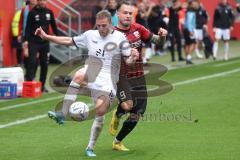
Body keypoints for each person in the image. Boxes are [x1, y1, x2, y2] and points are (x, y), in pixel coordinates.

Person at [36, 10, 139, 157]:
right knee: (78, 75)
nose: (101, 29)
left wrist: (133, 58)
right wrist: (46, 37)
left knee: (100, 112)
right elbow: (68, 41)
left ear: (111, 23)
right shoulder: (90, 35)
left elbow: (128, 61)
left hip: (108, 80)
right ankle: (63, 114)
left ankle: (90, 147)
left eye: (104, 26)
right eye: (98, 26)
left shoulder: (120, 38)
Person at [108, 0, 167, 151]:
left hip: (139, 76)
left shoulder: (138, 29)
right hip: (121, 77)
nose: (128, 16)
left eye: (130, 13)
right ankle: (120, 111)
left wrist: (162, 36)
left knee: (138, 113)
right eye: (124, 13)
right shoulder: (111, 34)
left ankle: (117, 141)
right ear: (117, 14)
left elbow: (158, 42)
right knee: (128, 105)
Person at [24, 0, 58, 92]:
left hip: (45, 42)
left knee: (44, 64)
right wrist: (26, 41)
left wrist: (58, 37)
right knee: (32, 62)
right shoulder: (32, 13)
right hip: (33, 42)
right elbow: (27, 28)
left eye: (44, 0)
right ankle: (30, 83)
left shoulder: (49, 12)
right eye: (40, 0)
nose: (42, 2)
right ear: (38, 1)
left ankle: (42, 85)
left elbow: (54, 26)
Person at [18, 0, 38, 71]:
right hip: (25, 35)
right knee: (26, 54)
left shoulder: (40, 9)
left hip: (36, 35)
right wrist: (19, 34)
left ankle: (33, 72)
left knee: (36, 55)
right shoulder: (24, 9)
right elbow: (20, 22)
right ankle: (27, 70)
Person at [183, 0, 198, 64]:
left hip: (185, 29)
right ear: (191, 5)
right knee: (193, 43)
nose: (195, 5)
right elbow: (189, 22)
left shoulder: (188, 11)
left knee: (187, 44)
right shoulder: (191, 12)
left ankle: (187, 59)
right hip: (189, 29)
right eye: (193, 4)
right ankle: (188, 57)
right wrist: (190, 31)